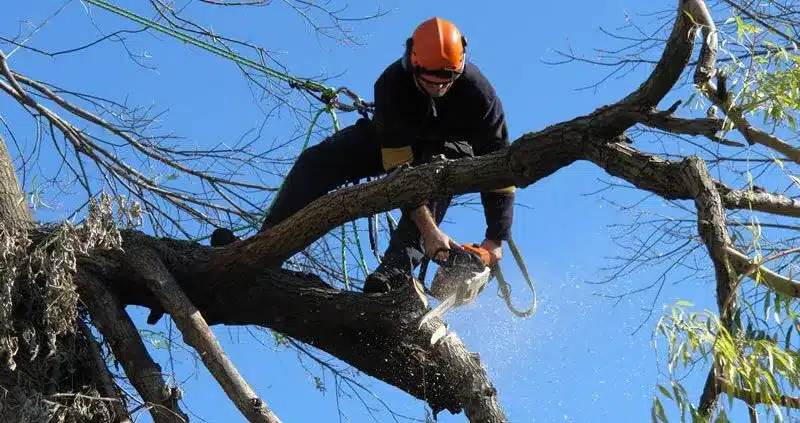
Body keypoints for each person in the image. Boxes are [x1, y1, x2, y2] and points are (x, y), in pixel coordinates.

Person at [211, 17, 515, 294]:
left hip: (447, 152)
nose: (438, 87)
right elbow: (402, 176)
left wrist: (495, 239)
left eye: (446, 81)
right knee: (315, 163)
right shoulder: (392, 84)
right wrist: (431, 232)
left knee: (435, 174)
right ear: (413, 62)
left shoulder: (480, 97)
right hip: (393, 144)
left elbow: (500, 165)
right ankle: (263, 248)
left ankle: (393, 273)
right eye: (430, 80)